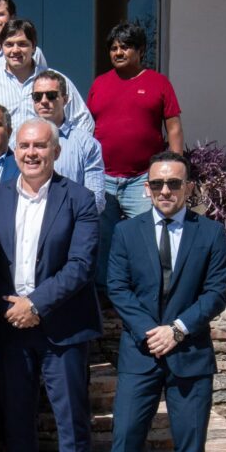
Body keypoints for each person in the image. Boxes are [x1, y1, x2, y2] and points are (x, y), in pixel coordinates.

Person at [89, 151, 226, 452]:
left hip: (190, 352)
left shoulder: (210, 233)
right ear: (147, 189)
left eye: (173, 183)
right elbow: (117, 287)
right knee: (127, 435)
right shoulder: (126, 232)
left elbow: (216, 293)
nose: (165, 190)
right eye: (157, 184)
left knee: (190, 439)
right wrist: (154, 331)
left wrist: (179, 330)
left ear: (188, 187)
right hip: (141, 351)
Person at [0, 118, 102, 452]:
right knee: (16, 414)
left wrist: (36, 303)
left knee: (71, 416)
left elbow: (81, 266)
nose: (31, 153)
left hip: (62, 326)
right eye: (24, 146)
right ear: (14, 150)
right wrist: (11, 307)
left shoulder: (79, 199)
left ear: (56, 152)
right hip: (11, 326)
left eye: (40, 146)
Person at [88, 22, 183, 284]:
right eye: (114, 48)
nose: (118, 52)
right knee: (103, 238)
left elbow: (173, 127)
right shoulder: (99, 84)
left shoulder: (158, 83)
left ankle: (148, 289)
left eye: (125, 47)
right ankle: (104, 292)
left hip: (143, 178)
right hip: (103, 178)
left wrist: (177, 172)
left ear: (140, 50)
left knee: (147, 238)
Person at [0, 19, 93, 151]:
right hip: (3, 170)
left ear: (33, 47)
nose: (15, 50)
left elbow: (84, 121)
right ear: (2, 47)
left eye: (22, 44)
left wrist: (67, 155)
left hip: (46, 167)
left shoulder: (54, 80)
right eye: (9, 44)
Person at [32, 70, 105, 212]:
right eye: (37, 96)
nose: (44, 101)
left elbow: (96, 200)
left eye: (51, 95)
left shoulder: (87, 144)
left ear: (65, 99)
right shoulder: (18, 141)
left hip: (71, 226)